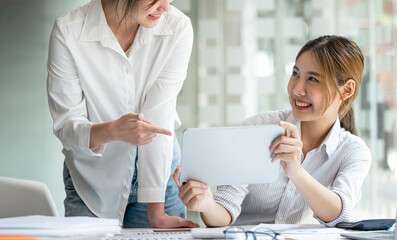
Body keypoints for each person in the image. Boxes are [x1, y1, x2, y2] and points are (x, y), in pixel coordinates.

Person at [174, 35, 372, 227]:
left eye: (313, 79)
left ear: (346, 90)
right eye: (295, 74)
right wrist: (207, 205)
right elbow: (225, 209)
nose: (296, 90)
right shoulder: (256, 129)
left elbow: (338, 214)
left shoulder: (353, 151)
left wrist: (297, 172)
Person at [47, 0, 198, 228]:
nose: (165, 7)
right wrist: (113, 131)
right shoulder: (69, 32)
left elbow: (160, 116)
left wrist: (156, 212)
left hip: (159, 168)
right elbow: (66, 125)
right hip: (91, 179)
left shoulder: (178, 28)